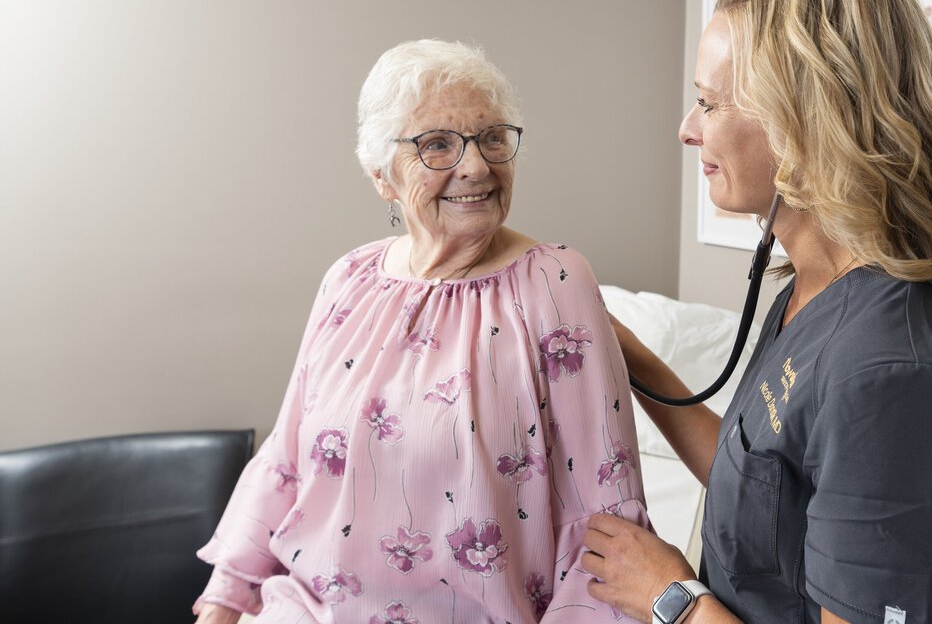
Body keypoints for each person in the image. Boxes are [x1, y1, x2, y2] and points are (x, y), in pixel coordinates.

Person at [582, 0, 932, 624]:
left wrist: (672, 598)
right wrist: (628, 354)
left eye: (709, 102)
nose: (687, 128)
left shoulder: (890, 370)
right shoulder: (811, 288)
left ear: (808, 118)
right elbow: (769, 487)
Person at [193, 39, 649, 624]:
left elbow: (604, 518)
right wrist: (224, 603)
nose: (477, 166)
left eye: (491, 137)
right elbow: (284, 462)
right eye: (437, 145)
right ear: (384, 177)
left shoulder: (554, 283)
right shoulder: (349, 280)